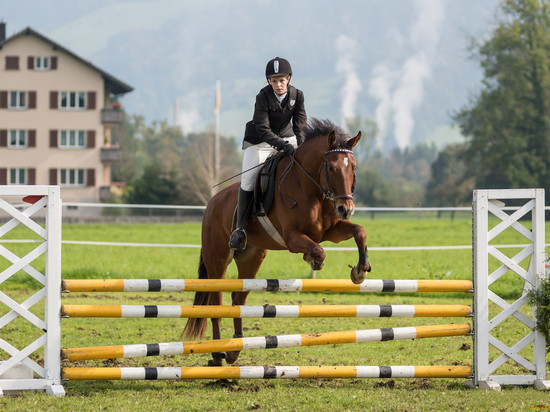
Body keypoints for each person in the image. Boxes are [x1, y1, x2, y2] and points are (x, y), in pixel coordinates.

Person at [228, 57, 307, 251]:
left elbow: (301, 125)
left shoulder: (298, 95)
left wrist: (301, 148)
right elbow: (263, 129)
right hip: (260, 142)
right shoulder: (262, 97)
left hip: (287, 138)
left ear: (288, 78)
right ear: (268, 81)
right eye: (274, 81)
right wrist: (282, 145)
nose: (278, 85)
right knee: (248, 180)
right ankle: (240, 229)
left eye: (281, 80)